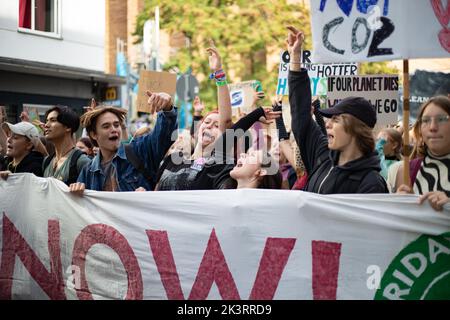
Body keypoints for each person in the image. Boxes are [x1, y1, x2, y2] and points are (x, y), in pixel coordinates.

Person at [287, 26, 388, 194]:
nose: (327, 125)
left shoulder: (371, 183)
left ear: (355, 128)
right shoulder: (322, 155)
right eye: (329, 119)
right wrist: (295, 58)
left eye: (336, 120)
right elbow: (300, 116)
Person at [69, 93, 177, 194]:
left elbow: (163, 136)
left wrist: (167, 108)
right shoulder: (88, 172)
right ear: (93, 134)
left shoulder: (139, 151)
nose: (114, 129)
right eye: (106, 126)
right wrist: (77, 193)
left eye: (116, 125)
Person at [396, 96, 450, 211]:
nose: (433, 127)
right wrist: (401, 206)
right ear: (420, 128)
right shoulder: (406, 171)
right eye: (425, 120)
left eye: (441, 119)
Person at [42, 106, 91, 185]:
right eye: (47, 121)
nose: (46, 125)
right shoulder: (47, 161)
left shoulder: (81, 162)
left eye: (53, 120)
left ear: (68, 127)